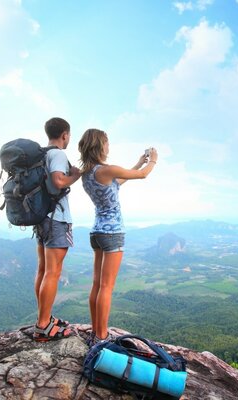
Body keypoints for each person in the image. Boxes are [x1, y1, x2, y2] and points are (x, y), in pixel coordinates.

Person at [78, 128, 157, 345]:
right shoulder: (107, 169)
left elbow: (118, 183)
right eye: (107, 142)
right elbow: (142, 176)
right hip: (112, 233)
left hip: (96, 232)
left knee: (96, 284)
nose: (109, 146)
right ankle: (101, 336)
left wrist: (139, 162)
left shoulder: (88, 173)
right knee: (106, 287)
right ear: (99, 145)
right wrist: (153, 161)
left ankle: (96, 331)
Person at [33, 117, 82, 342]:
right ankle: (43, 325)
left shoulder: (41, 154)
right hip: (56, 219)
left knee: (43, 270)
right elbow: (59, 181)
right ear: (65, 135)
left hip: (42, 218)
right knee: (53, 272)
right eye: (69, 136)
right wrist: (75, 176)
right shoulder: (58, 154)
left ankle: (45, 317)